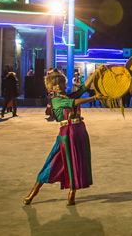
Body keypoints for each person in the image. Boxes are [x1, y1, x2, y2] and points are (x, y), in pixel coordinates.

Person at [23, 70, 102, 206]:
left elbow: (84, 87)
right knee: (52, 163)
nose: (58, 86)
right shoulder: (56, 100)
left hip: (80, 130)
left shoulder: (70, 95)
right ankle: (33, 192)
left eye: (60, 83)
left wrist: (95, 73)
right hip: (66, 133)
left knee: (76, 163)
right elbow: (74, 103)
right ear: (51, 87)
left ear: (64, 84)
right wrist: (94, 98)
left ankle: (72, 193)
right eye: (54, 84)